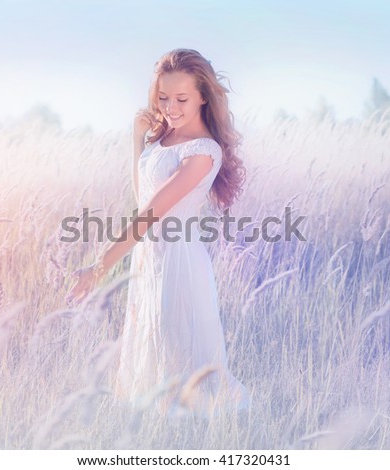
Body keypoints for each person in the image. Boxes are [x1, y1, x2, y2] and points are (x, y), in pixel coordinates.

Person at [66, 48, 251, 417]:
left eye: (182, 98)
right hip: (149, 256)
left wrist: (99, 268)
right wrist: (137, 140)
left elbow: (151, 214)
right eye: (164, 97)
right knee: (149, 341)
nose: (171, 107)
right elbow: (142, 201)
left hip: (179, 261)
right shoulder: (162, 141)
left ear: (202, 96)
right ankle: (156, 425)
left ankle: (192, 430)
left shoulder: (203, 153)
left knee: (177, 346)